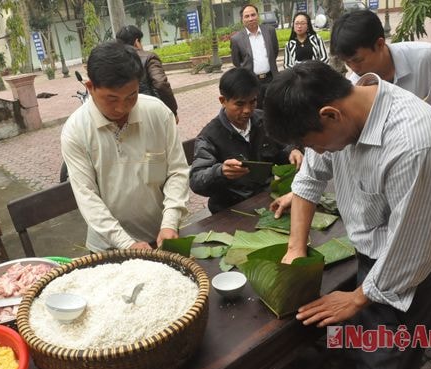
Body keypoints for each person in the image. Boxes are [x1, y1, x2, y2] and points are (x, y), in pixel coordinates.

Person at [264, 61, 431, 369]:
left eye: (315, 144)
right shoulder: (337, 109)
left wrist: (357, 299)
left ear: (330, 115)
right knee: (359, 352)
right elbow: (309, 178)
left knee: (384, 367)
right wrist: (295, 248)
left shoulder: (416, 144)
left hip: (407, 275)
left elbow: (413, 247)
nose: (318, 152)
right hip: (372, 260)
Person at [61, 41, 189, 251]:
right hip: (108, 247)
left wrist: (170, 222)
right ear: (90, 87)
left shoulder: (158, 114)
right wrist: (126, 243)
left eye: (131, 96)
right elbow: (87, 196)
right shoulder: (76, 131)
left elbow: (177, 172)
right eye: (111, 99)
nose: (122, 107)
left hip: (161, 237)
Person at [189, 67, 303, 214]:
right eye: (240, 104)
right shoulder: (209, 136)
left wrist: (291, 151)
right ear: (223, 101)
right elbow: (196, 180)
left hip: (266, 199)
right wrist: (220, 172)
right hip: (230, 210)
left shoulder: (263, 121)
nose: (247, 110)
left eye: (253, 102)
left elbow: (283, 146)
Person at [116, 25, 179, 123]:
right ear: (137, 42)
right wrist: (173, 111)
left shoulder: (113, 61)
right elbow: (161, 83)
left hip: (123, 115)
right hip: (150, 113)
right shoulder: (149, 57)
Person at [230, 4, 279, 109]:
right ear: (242, 19)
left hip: (271, 79)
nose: (251, 18)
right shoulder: (236, 39)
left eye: (253, 15)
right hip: (252, 83)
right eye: (247, 16)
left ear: (258, 15)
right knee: (255, 112)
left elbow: (274, 52)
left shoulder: (270, 31)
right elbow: (237, 62)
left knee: (274, 109)